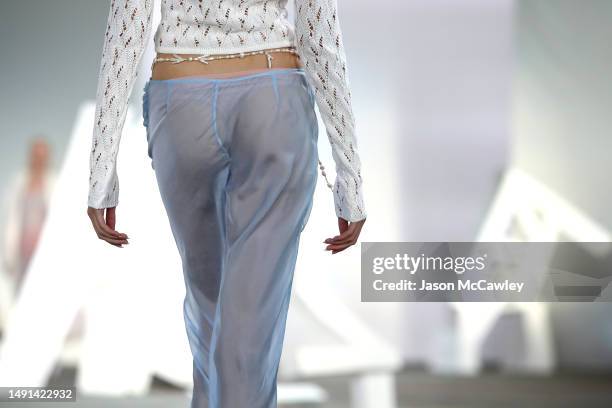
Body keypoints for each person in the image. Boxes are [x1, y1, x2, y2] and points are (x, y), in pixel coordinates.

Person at [86, 0, 367, 407]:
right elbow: (320, 37)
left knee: (210, 314)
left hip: (180, 103)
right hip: (271, 97)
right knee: (246, 329)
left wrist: (101, 174)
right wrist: (351, 180)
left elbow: (125, 33)